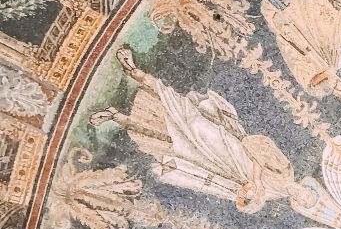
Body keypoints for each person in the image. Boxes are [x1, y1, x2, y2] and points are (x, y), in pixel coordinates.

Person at [90, 47, 314, 213]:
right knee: (193, 121)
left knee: (174, 145)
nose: (301, 195)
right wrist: (256, 180)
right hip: (231, 149)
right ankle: (134, 71)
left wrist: (246, 196)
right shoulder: (285, 171)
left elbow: (239, 197)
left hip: (220, 166)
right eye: (306, 194)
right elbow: (257, 146)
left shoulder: (272, 196)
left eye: (302, 201)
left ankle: (116, 116)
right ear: (306, 187)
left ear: (296, 203)